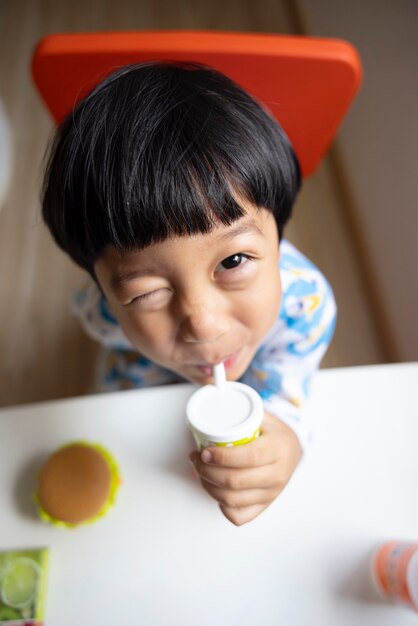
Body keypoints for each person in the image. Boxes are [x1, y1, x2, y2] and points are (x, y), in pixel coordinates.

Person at [41, 61, 336, 526]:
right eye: (146, 293)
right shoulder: (102, 317)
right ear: (102, 289)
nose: (202, 322)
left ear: (278, 235)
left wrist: (289, 443)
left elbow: (289, 386)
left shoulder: (306, 308)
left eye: (234, 261)